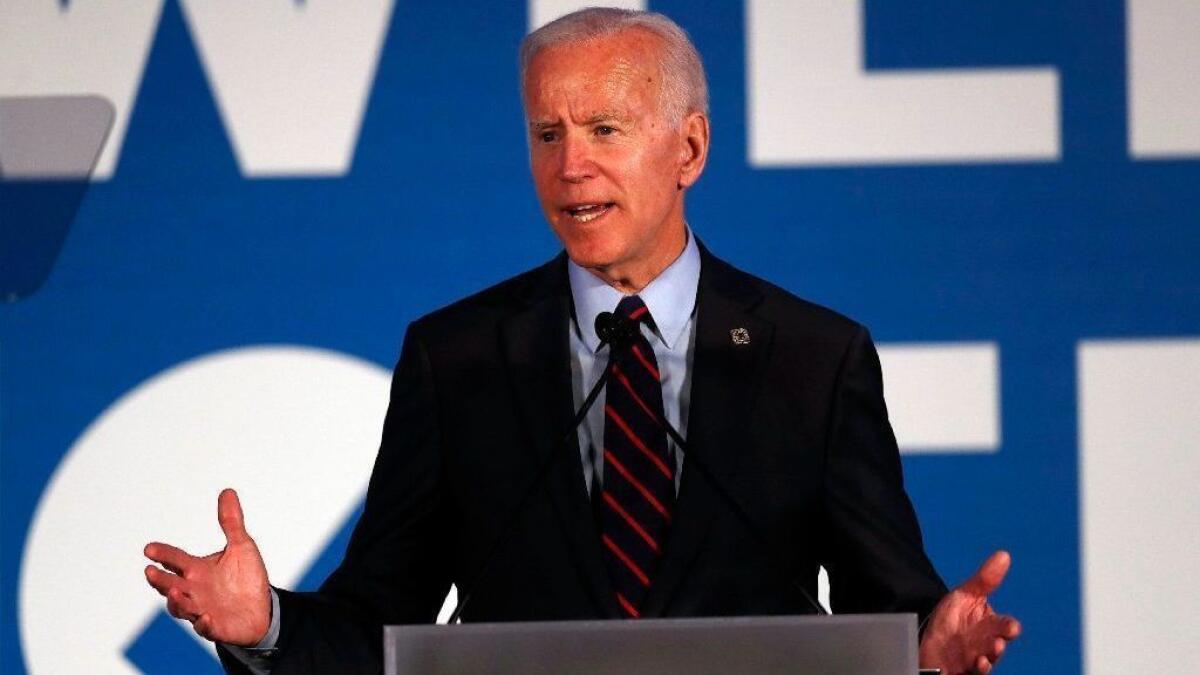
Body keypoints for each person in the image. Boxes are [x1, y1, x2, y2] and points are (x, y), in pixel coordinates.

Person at [143, 8, 1021, 674]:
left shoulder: (813, 358)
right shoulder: (458, 359)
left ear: (690, 148)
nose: (571, 166)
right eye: (547, 134)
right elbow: (383, 618)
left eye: (605, 129)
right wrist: (268, 624)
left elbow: (887, 606)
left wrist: (930, 648)